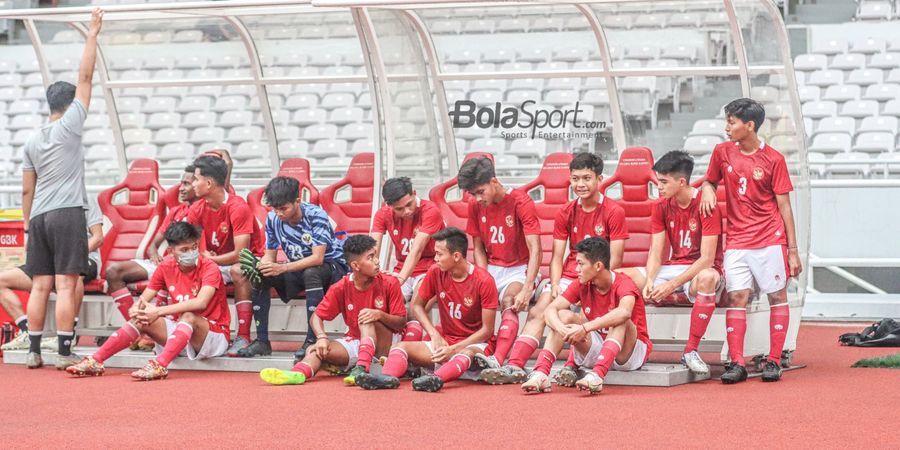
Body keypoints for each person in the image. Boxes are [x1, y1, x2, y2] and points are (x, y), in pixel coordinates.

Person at [480, 152, 629, 385]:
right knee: (541, 309)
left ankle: (569, 364)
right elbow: (558, 256)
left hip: (597, 279)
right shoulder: (566, 211)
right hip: (571, 277)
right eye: (575, 178)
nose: (580, 184)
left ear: (600, 179)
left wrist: (588, 287)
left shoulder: (613, 211)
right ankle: (514, 366)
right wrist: (557, 282)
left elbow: (616, 260)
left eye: (587, 178)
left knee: (570, 314)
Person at [20, 8, 103, 370]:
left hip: (38, 215)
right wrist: (92, 34)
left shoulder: (32, 140)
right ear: (70, 104)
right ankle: (66, 351)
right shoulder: (71, 125)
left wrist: (27, 222)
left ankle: (34, 350)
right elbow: (86, 75)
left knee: (40, 284)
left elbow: (27, 189)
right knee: (66, 285)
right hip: (67, 211)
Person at [699, 98, 802, 384]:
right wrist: (708, 189)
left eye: (731, 122)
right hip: (737, 241)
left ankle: (773, 360)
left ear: (749, 125)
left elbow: (785, 207)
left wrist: (793, 251)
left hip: (770, 239)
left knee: (776, 296)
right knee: (737, 297)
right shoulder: (721, 152)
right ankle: (737, 363)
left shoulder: (774, 159)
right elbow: (710, 180)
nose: (727, 127)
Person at [66, 222, 231, 380]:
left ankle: (160, 365)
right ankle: (96, 360)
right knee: (141, 319)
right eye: (184, 249)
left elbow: (200, 303)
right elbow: (145, 298)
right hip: (182, 333)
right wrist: (137, 309)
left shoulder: (209, 267)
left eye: (194, 247)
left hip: (213, 335)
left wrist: (157, 311)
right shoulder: (166, 266)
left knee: (188, 316)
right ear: (171, 251)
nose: (191, 253)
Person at [617, 151, 723, 375]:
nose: (659, 187)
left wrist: (670, 285)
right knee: (616, 278)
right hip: (673, 266)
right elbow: (656, 252)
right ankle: (627, 345)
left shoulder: (706, 205)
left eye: (664, 182)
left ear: (682, 181)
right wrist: (651, 279)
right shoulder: (661, 205)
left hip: (700, 269)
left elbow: (707, 259)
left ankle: (691, 350)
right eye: (658, 182)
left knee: (707, 279)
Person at [355, 227, 498, 393]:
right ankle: (387, 378)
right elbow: (416, 305)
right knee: (401, 347)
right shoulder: (435, 271)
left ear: (456, 256)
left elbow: (487, 331)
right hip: (445, 341)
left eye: (439, 254)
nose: (435, 258)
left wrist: (453, 348)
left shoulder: (484, 280)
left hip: (475, 344)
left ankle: (436, 379)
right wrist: (434, 333)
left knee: (465, 353)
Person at [258, 235, 407, 386]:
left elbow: (401, 323)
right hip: (357, 342)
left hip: (387, 344)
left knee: (367, 318)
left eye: (375, 256)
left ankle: (361, 368)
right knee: (316, 349)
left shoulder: (390, 282)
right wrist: (321, 337)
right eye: (370, 258)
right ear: (355, 266)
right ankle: (297, 374)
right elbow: (316, 316)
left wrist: (379, 315)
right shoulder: (341, 287)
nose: (376, 261)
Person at [520, 237, 651, 395]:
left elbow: (624, 313)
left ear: (597, 266)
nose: (576, 269)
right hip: (600, 346)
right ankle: (541, 373)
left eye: (581, 264)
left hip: (628, 354)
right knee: (563, 315)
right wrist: (561, 329)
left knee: (620, 319)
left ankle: (596, 376)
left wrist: (585, 328)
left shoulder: (624, 283)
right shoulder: (582, 283)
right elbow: (550, 310)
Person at [239, 176, 348, 361]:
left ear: (298, 200)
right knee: (259, 275)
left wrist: (282, 268)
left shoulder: (316, 216)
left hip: (332, 268)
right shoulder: (273, 218)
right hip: (297, 268)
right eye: (275, 208)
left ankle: (311, 339)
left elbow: (317, 258)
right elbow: (270, 254)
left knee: (311, 272)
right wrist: (264, 265)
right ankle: (262, 341)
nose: (279, 213)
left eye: (284, 208)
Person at [456, 157, 541, 369]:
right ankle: (465, 352)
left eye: (480, 191)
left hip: (519, 269)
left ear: (494, 181)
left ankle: (497, 360)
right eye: (472, 194)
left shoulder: (521, 202)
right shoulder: (475, 206)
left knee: (510, 301)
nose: (477, 198)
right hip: (492, 268)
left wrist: (528, 287)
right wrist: (482, 278)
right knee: (464, 301)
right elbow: (478, 247)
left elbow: (535, 248)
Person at [103, 165, 197, 347]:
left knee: (167, 274)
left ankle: (150, 331)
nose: (181, 188)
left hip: (185, 265)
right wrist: (154, 254)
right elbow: (154, 244)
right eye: (181, 183)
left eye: (187, 183)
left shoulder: (204, 211)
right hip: (165, 263)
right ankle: (139, 329)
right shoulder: (176, 211)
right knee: (113, 271)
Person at [0, 197, 103, 357]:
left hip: (83, 258)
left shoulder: (84, 198)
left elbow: (97, 238)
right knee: (1, 280)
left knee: (73, 274)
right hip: (48, 264)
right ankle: (28, 332)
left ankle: (69, 334)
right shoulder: (40, 200)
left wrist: (71, 256)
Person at [185, 155, 264, 357]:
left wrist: (211, 260)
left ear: (209, 183)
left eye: (195, 179)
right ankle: (190, 331)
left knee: (239, 271)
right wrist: (205, 260)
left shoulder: (238, 207)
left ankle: (243, 335)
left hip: (249, 261)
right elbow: (192, 246)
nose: (193, 184)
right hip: (215, 262)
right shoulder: (196, 208)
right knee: (184, 268)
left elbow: (242, 253)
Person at [369, 177, 444, 341]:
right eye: (399, 209)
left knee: (414, 311)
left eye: (409, 204)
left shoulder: (430, 210)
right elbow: (372, 248)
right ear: (388, 206)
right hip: (402, 269)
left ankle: (412, 354)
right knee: (383, 306)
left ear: (414, 194)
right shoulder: (383, 214)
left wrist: (401, 278)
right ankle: (391, 352)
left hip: (431, 269)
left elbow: (417, 249)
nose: (407, 211)